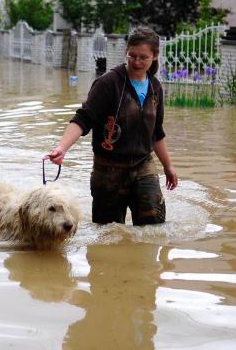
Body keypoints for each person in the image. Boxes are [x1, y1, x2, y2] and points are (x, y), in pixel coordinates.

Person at [44, 26, 178, 226]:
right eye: (132, 56)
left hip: (143, 166)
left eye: (143, 57)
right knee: (107, 233)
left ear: (155, 56)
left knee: (154, 228)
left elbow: (156, 133)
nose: (137, 62)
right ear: (126, 52)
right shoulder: (108, 84)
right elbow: (83, 118)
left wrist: (168, 166)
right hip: (108, 171)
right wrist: (62, 148)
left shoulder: (155, 88)